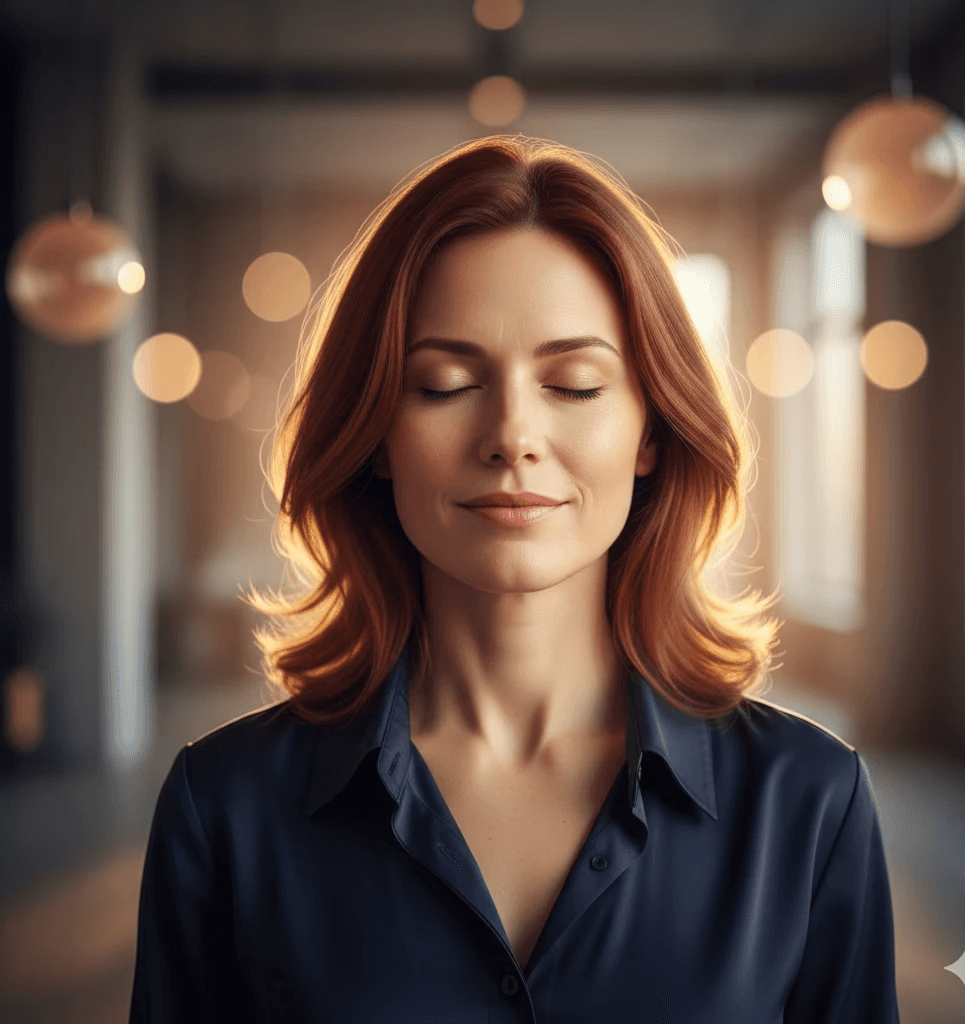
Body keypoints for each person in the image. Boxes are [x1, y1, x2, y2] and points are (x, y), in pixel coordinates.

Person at [129, 135, 901, 1023]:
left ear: (651, 433)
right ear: (375, 434)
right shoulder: (223, 809)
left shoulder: (808, 802)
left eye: (574, 385)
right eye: (446, 383)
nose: (511, 434)